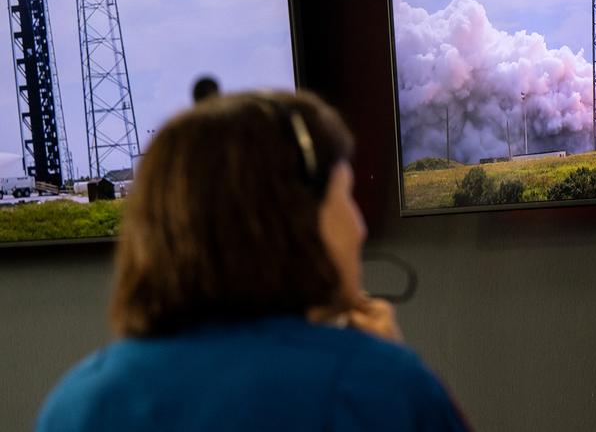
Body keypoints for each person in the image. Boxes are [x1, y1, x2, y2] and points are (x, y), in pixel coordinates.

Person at [37, 90, 469, 431]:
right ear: (296, 221)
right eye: (344, 197)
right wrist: (380, 363)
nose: (359, 228)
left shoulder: (77, 405)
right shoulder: (378, 388)